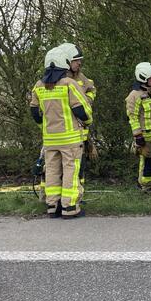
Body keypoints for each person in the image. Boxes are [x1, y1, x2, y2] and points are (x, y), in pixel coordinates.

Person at [31, 47, 92, 218]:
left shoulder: (39, 86)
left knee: (51, 171)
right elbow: (81, 109)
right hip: (70, 139)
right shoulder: (68, 84)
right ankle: (69, 207)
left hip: (50, 140)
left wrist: (44, 127)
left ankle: (52, 206)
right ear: (64, 64)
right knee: (70, 172)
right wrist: (87, 122)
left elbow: (34, 112)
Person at [58, 42, 96, 193]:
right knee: (60, 168)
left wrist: (87, 101)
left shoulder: (81, 77)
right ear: (66, 61)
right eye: (76, 60)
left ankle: (77, 195)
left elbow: (92, 89)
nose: (79, 63)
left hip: (80, 131)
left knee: (79, 167)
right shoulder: (58, 78)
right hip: (63, 131)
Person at [125, 62, 151, 191]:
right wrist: (139, 138)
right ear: (143, 78)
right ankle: (147, 187)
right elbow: (133, 118)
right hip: (146, 137)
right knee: (149, 163)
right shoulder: (134, 96)